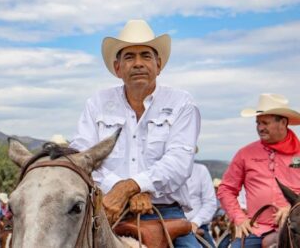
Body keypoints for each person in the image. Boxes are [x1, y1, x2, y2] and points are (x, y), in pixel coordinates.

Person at [70, 19, 201, 247]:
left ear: (159, 65)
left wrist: (131, 186)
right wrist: (120, 191)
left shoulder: (182, 103)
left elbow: (179, 161)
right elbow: (83, 158)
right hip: (106, 210)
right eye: (129, 57)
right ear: (117, 68)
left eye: (146, 56)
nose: (138, 63)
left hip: (165, 213)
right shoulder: (97, 103)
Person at [217, 93, 300, 247]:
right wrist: (239, 218)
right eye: (258, 123)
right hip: (257, 229)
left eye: (265, 123)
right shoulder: (245, 154)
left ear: (282, 122)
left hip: (296, 228)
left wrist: (292, 207)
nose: (260, 128)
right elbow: (226, 189)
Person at [185, 155, 217, 247]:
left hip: (198, 225)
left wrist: (195, 222)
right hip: (168, 225)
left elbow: (210, 203)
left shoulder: (200, 170)